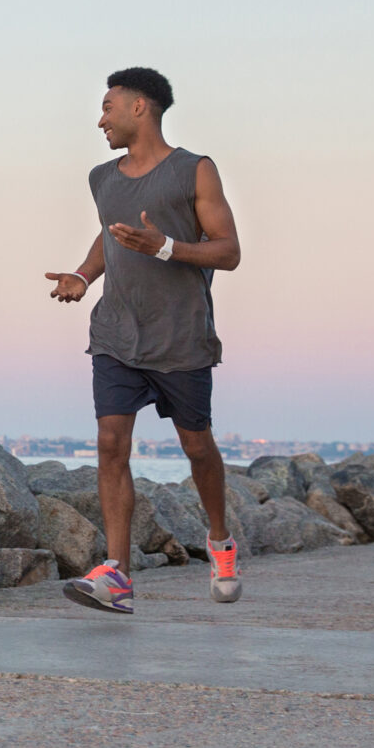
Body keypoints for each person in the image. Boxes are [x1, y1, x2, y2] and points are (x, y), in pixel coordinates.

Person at [44, 67, 244, 613]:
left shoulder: (194, 171)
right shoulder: (101, 178)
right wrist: (83, 277)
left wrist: (165, 247)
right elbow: (110, 231)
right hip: (116, 334)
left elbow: (228, 251)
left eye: (108, 107)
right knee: (111, 445)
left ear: (140, 108)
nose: (99, 119)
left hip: (180, 337)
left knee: (197, 447)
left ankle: (221, 541)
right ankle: (117, 574)